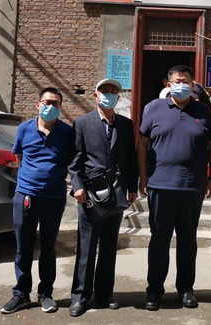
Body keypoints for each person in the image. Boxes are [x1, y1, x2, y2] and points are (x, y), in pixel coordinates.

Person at [138, 65, 211, 311]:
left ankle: (185, 289)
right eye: (177, 81)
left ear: (193, 85)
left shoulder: (203, 111)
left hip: (192, 186)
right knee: (159, 240)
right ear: (169, 84)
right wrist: (142, 177)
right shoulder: (154, 108)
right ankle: (154, 290)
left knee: (187, 241)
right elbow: (142, 143)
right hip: (160, 185)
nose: (181, 85)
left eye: (186, 81)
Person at [68, 78, 138, 317]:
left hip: (116, 192)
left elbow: (130, 158)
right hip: (90, 193)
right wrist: (77, 186)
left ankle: (105, 293)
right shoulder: (82, 122)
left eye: (113, 92)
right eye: (104, 91)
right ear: (95, 96)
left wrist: (132, 187)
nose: (108, 95)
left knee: (109, 246)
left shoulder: (126, 125)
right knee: (86, 246)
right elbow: (75, 160)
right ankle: (80, 296)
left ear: (118, 97)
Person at [1, 87, 74, 314]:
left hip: (54, 197)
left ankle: (45, 294)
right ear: (38, 104)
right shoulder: (25, 128)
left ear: (61, 107)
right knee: (24, 247)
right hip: (26, 196)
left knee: (48, 248)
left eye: (55, 103)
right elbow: (19, 156)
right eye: (47, 102)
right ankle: (21, 294)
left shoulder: (67, 132)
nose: (50, 106)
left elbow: (71, 161)